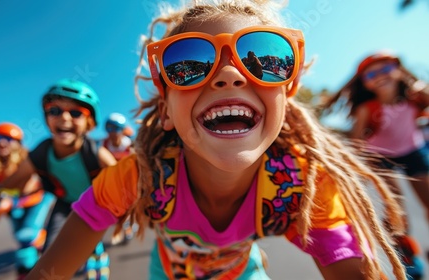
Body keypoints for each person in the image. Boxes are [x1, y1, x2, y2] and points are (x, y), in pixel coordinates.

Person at [26, 1, 407, 279]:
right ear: (167, 112)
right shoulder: (139, 177)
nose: (228, 74)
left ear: (285, 101)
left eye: (261, 56)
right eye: (187, 64)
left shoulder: (302, 187)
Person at [322, 51, 429, 279]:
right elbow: (357, 141)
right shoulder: (367, 108)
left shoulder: (414, 97)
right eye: (372, 73)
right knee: (395, 210)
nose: (380, 75)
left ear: (400, 71)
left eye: (387, 69)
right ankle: (406, 255)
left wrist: (420, 86)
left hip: (414, 150)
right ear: (364, 82)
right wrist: (354, 169)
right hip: (380, 156)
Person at [0, 79, 117, 280]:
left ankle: (97, 261)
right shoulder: (41, 153)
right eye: (54, 110)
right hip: (64, 204)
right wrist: (4, 194)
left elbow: (125, 179)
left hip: (95, 204)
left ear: (90, 124)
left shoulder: (96, 152)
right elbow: (12, 182)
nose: (64, 118)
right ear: (46, 117)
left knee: (90, 247)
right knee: (52, 252)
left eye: (76, 112)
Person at [0, 122, 55, 279]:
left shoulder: (27, 156)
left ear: (17, 142)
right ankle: (31, 262)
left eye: (7, 138)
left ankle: (28, 269)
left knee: (26, 235)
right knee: (21, 238)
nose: (1, 142)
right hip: (9, 203)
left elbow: (44, 176)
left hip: (35, 199)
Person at [102, 112, 138, 245]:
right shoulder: (103, 145)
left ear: (123, 130)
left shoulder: (131, 146)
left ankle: (129, 226)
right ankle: (123, 226)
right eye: (109, 128)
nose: (112, 132)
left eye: (116, 128)